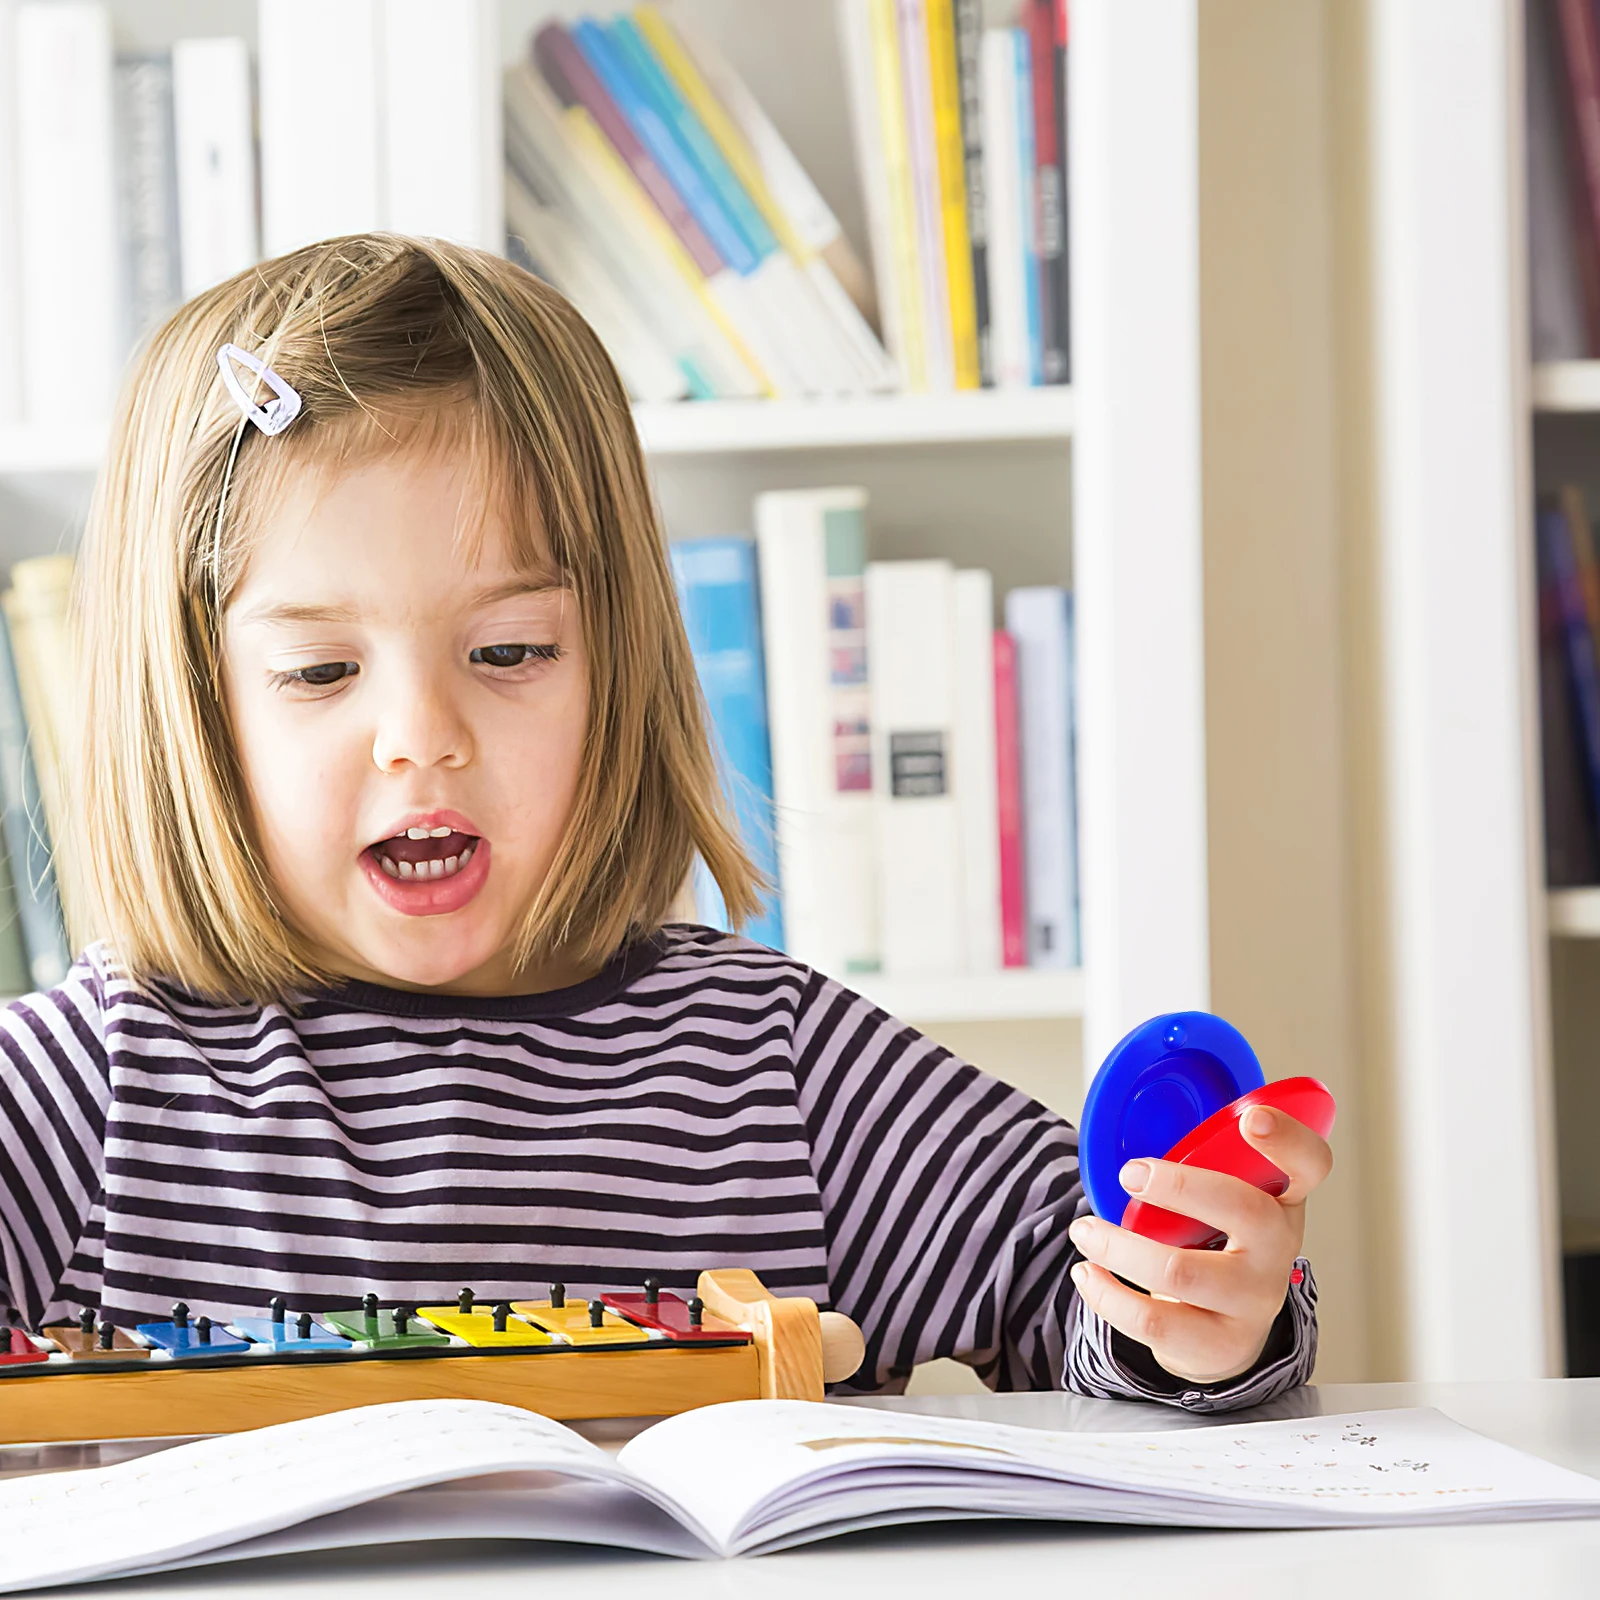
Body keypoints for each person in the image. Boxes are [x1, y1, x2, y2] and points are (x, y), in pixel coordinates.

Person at [0, 236, 1330, 1409]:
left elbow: (1083, 1278)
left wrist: (1194, 1306)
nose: (423, 735)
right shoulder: (94, 1091)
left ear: (615, 661)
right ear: (195, 702)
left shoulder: (775, 1069)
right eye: (320, 671)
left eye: (511, 650)